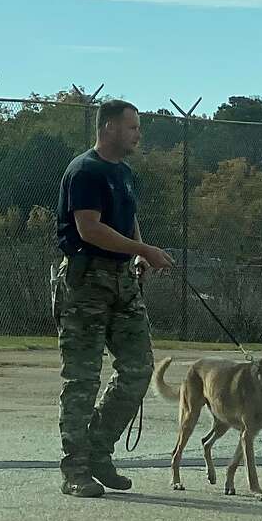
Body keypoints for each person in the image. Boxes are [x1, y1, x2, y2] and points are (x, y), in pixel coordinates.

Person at [52, 99, 175, 497]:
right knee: (83, 378)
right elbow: (89, 229)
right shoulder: (85, 170)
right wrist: (145, 250)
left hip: (122, 281)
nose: (138, 134)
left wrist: (139, 254)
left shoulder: (124, 174)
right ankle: (75, 469)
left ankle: (99, 451)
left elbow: (128, 218)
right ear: (108, 129)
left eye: (138, 127)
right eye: (132, 128)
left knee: (139, 370)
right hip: (87, 281)